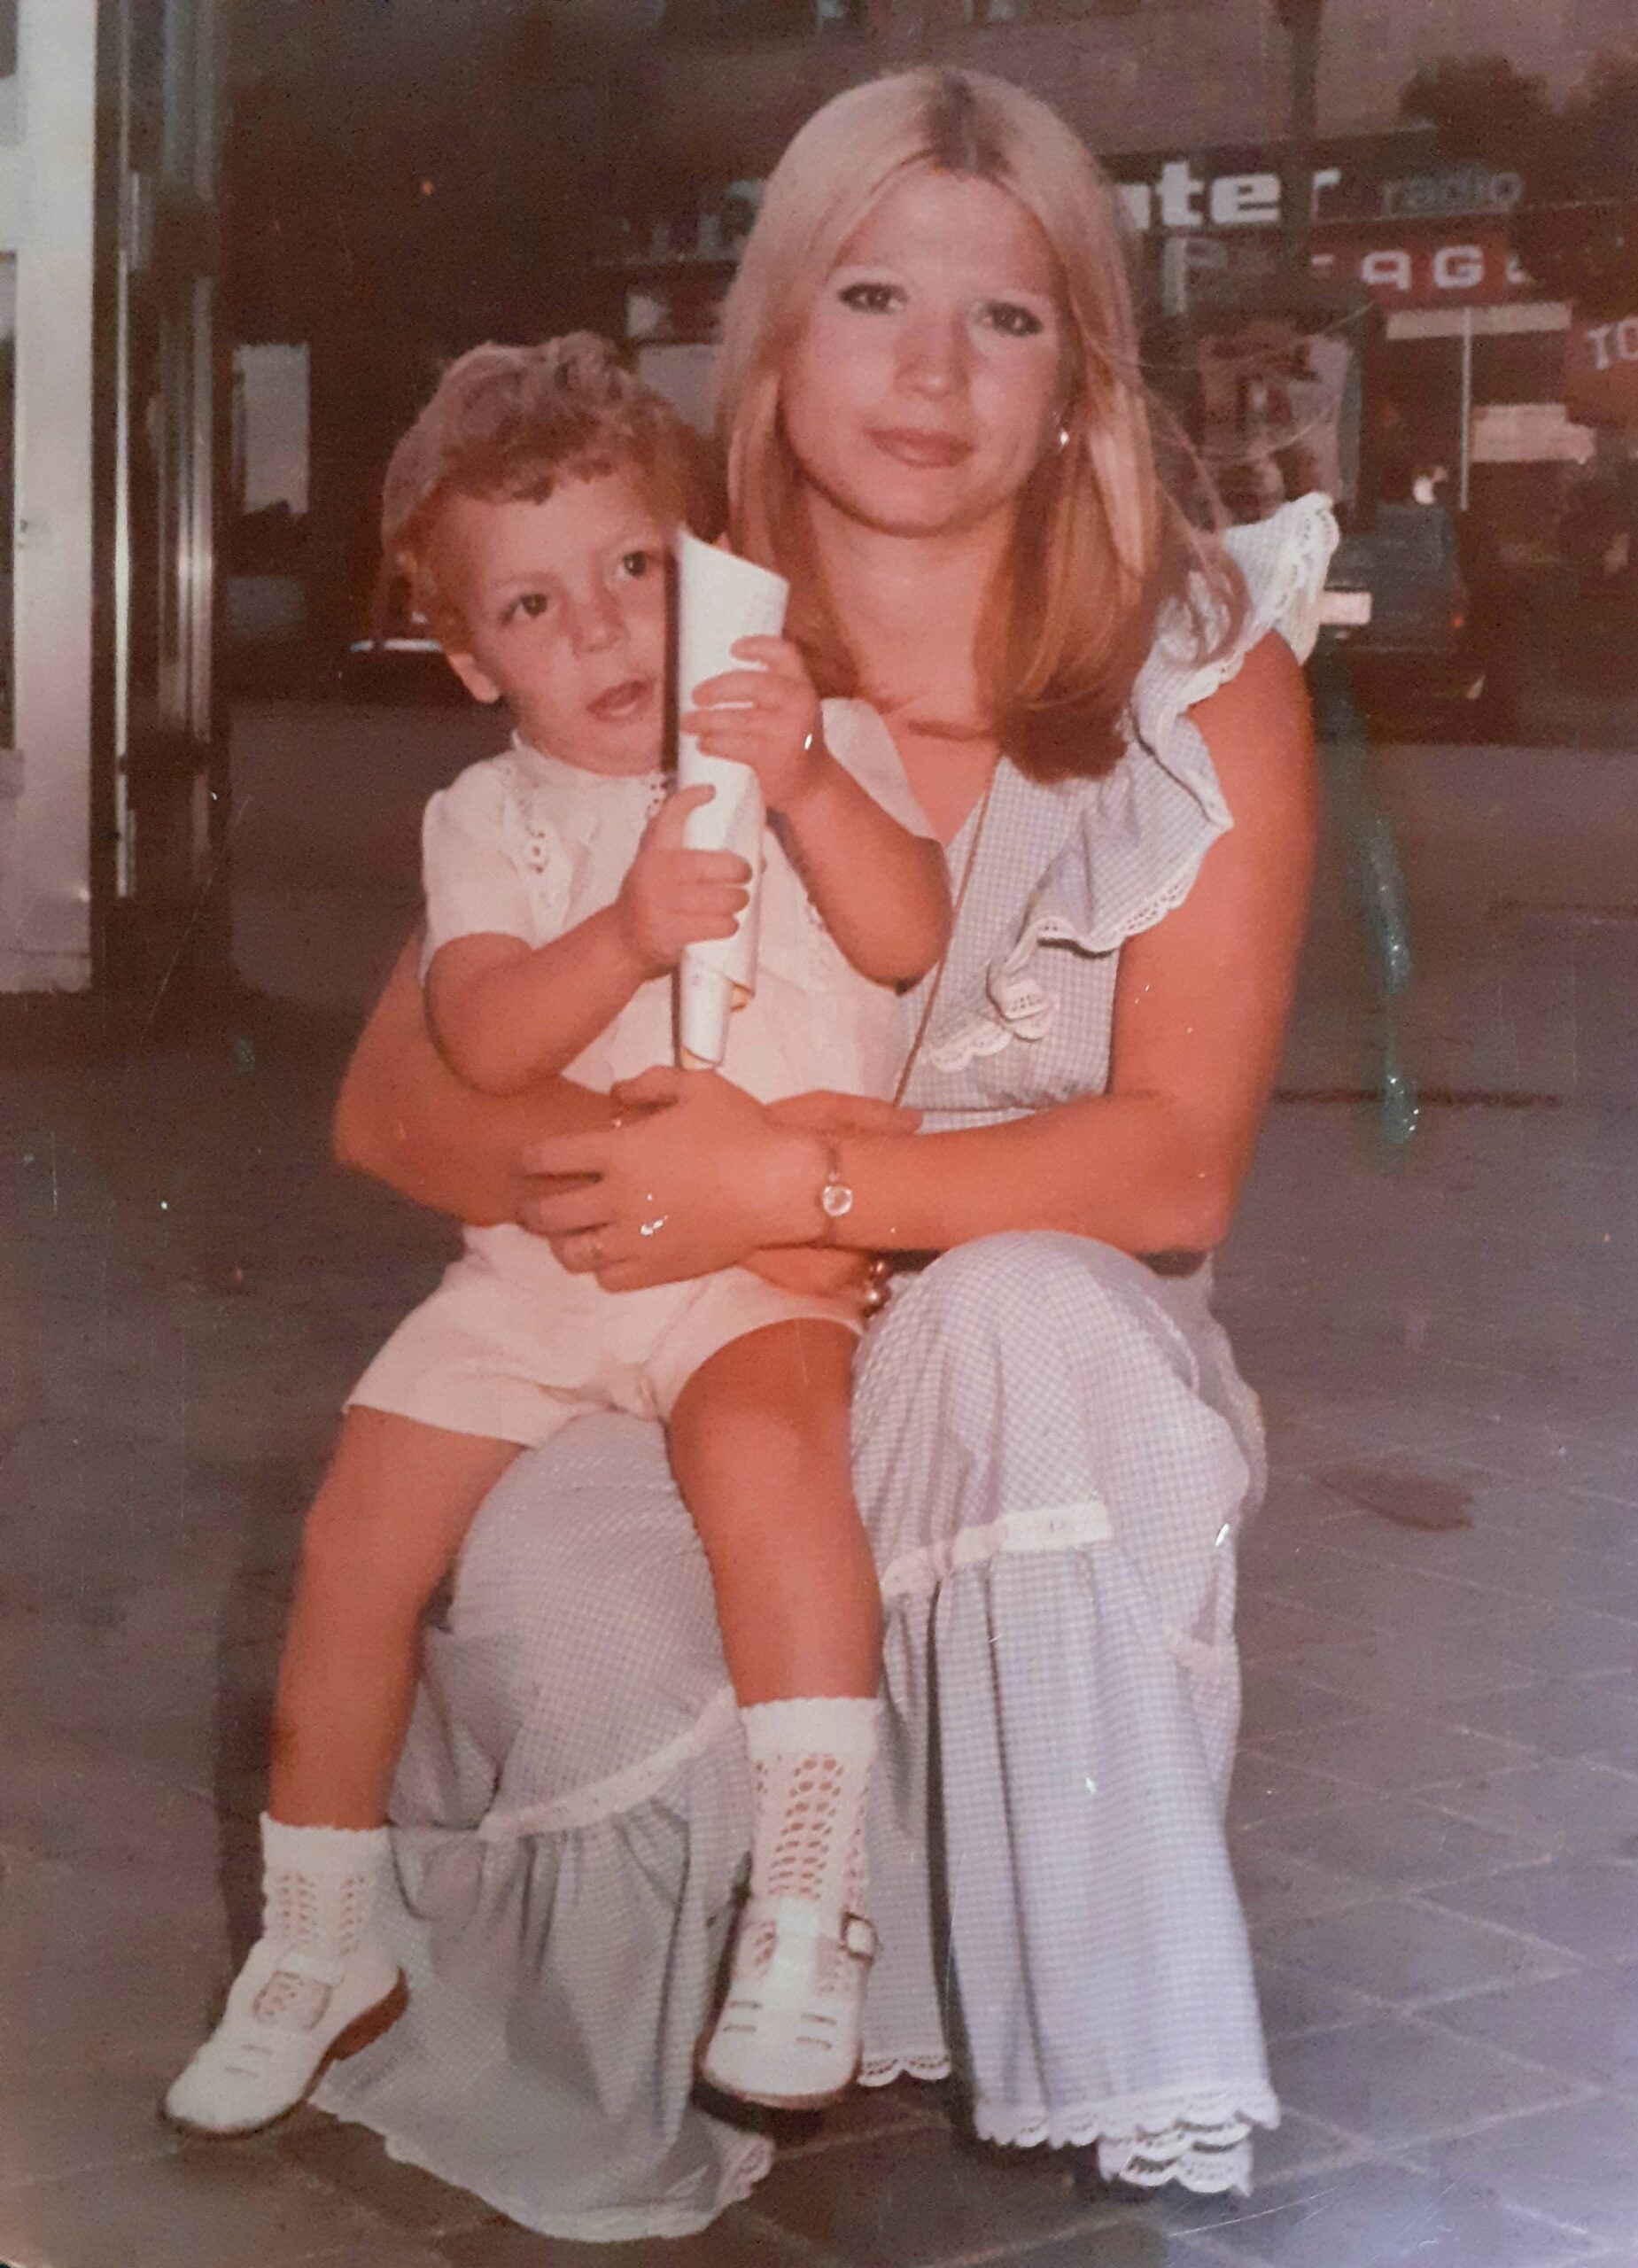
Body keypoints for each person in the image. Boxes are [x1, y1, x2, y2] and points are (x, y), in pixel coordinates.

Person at [302, 66, 1331, 2238]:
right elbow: (400, 1103)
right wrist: (659, 1168)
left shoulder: (1194, 682)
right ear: (770, 336)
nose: (932, 374)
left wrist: (801, 1179)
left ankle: (1098, 2019)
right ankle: (716, 1981)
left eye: (1006, 318)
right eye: (870, 297)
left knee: (1030, 1315)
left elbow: (1173, 1173)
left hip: (1007, 1392)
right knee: (570, 1600)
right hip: (704, 1350)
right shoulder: (646, 630)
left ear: (1081, 376)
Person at [164, 336, 950, 2138]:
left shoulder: (812, 745)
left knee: (771, 1462)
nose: (600, 630)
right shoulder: (485, 816)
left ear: (711, 567)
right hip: (543, 1267)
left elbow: (906, 935)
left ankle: (808, 1903)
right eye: (532, 605)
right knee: (355, 1535)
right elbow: (483, 1034)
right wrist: (624, 933)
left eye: (634, 569)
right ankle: (318, 1934)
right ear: (470, 658)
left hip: (751, 1259)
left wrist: (809, 781)